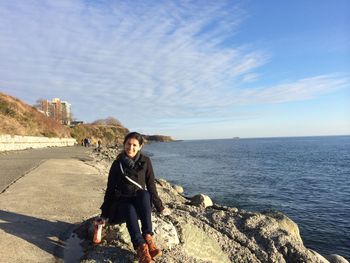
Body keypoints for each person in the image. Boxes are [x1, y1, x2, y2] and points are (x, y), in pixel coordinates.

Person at [100, 132, 171, 263]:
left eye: (134, 145)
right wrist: (104, 214)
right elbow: (110, 190)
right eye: (128, 144)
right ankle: (141, 248)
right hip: (122, 204)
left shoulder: (146, 161)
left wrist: (160, 207)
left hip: (140, 205)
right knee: (128, 207)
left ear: (140, 146)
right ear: (124, 144)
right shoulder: (117, 164)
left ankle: (148, 237)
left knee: (144, 194)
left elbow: (151, 186)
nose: (130, 148)